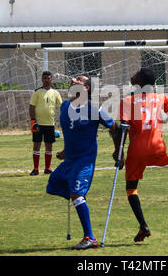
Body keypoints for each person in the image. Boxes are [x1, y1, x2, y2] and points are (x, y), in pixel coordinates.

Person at [114, 67, 168, 242]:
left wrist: (119, 153)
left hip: (137, 150)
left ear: (140, 81)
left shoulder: (127, 101)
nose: (131, 75)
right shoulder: (162, 98)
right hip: (158, 149)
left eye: (134, 74)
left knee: (131, 188)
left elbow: (123, 129)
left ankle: (143, 226)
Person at [46, 75, 116, 250]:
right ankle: (79, 197)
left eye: (79, 79)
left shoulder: (94, 108)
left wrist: (118, 150)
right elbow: (71, 133)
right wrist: (64, 151)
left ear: (87, 88)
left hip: (84, 160)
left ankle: (89, 237)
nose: (73, 79)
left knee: (76, 194)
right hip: (70, 159)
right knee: (53, 184)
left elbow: (114, 127)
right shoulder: (64, 106)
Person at [29, 71, 63, 175]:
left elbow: (62, 106)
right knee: (36, 146)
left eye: (48, 78)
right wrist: (33, 122)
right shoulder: (37, 92)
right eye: (44, 78)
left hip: (50, 124)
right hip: (38, 124)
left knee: (49, 146)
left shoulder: (55, 93)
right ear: (42, 79)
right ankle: (35, 169)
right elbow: (31, 107)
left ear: (51, 79)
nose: (46, 80)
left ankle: (47, 168)